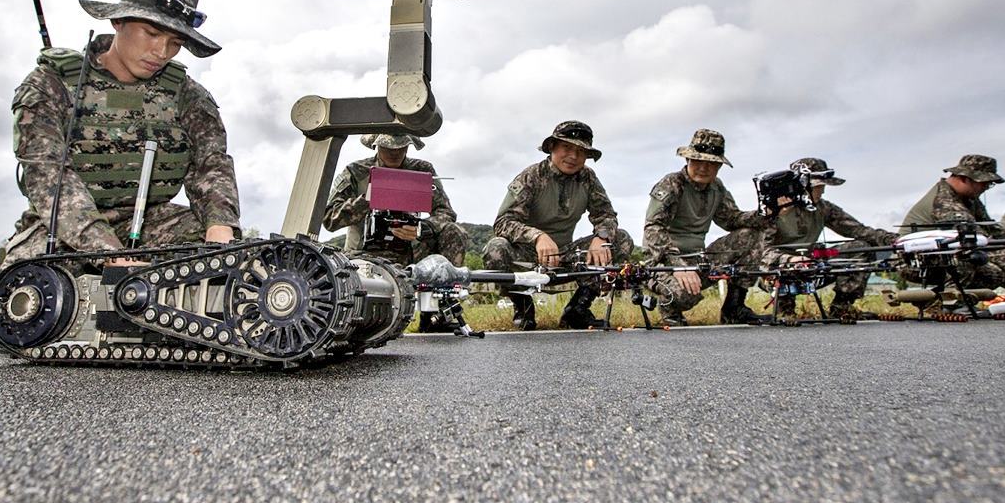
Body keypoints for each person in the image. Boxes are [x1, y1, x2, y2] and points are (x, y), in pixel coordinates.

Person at [0, 0, 240, 270]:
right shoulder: (52, 85)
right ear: (118, 21)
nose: (161, 52)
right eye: (151, 34)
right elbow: (47, 176)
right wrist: (108, 254)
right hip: (62, 229)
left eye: (175, 42)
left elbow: (211, 165)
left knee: (224, 260)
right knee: (31, 290)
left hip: (152, 223)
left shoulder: (188, 96)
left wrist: (220, 228)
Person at [483, 120, 633, 330]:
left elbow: (606, 214)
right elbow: (503, 223)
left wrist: (602, 236)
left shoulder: (588, 178)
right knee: (495, 248)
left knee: (621, 240)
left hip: (566, 254)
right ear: (552, 147)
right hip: (528, 256)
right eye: (567, 147)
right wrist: (537, 237)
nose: (573, 156)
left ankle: (577, 310)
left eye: (581, 151)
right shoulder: (531, 176)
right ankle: (523, 308)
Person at [642, 128, 767, 326]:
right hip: (662, 262)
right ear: (688, 160)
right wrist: (678, 266)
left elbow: (732, 219)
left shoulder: (717, 188)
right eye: (699, 161)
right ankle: (670, 311)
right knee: (684, 295)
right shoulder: (672, 184)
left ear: (719, 166)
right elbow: (653, 228)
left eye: (712, 163)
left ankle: (734, 308)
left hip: (698, 259)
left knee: (750, 235)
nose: (704, 168)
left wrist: (767, 213)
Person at [758, 158, 899, 324]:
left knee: (861, 247)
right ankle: (785, 310)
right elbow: (762, 252)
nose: (822, 192)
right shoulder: (774, 210)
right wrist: (790, 259)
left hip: (813, 261)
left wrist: (896, 240)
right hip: (777, 269)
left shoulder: (824, 208)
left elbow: (859, 230)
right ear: (803, 185)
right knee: (786, 310)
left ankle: (842, 307)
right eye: (819, 187)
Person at [322, 133, 468, 266]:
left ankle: (447, 290)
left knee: (454, 231)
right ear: (376, 145)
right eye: (388, 148)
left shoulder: (421, 169)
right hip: (363, 253)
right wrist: (367, 200)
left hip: (410, 251)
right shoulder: (356, 171)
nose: (395, 153)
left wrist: (423, 228)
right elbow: (329, 219)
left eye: (401, 147)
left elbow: (446, 213)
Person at [898, 153, 1005, 296]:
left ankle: (940, 298)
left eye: (990, 183)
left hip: (939, 255)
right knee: (968, 257)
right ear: (965, 178)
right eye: (984, 183)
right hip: (914, 260)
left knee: (993, 275)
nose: (986, 187)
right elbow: (976, 240)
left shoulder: (969, 199)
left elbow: (993, 230)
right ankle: (950, 302)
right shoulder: (945, 202)